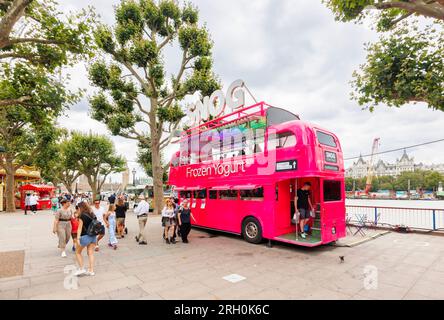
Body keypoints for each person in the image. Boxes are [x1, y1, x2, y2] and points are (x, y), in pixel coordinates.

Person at [74, 202, 97, 276]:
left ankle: (81, 269)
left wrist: (77, 238)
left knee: (78, 252)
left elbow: (80, 228)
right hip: (93, 236)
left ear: (80, 207)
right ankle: (91, 270)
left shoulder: (82, 216)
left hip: (85, 236)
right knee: (90, 253)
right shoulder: (92, 214)